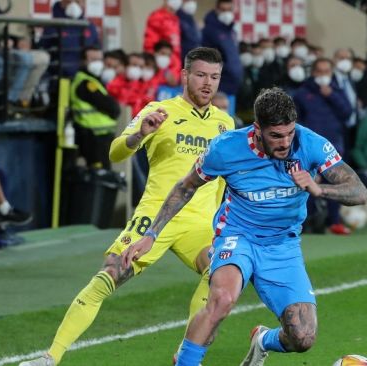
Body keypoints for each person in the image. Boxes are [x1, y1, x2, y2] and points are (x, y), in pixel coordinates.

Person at [19, 47, 234, 366]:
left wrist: (220, 225)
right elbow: (116, 153)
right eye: (201, 75)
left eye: (214, 77)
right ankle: (50, 357)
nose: (207, 84)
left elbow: (224, 180)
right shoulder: (158, 111)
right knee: (110, 273)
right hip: (154, 218)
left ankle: (186, 357)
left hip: (200, 224)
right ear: (185, 76)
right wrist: (138, 136)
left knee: (221, 274)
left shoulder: (225, 123)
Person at [122, 87, 367, 366]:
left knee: (303, 338)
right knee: (222, 299)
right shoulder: (226, 148)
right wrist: (151, 234)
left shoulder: (310, 143)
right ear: (257, 129)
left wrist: (319, 189)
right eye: (276, 135)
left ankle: (263, 340)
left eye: (289, 133)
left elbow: (358, 191)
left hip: (282, 244)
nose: (285, 142)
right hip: (237, 236)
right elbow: (185, 187)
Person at [293, 58, 353, 235]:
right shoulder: (302, 93)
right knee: (308, 184)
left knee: (335, 184)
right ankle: (306, 223)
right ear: (313, 73)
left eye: (327, 71)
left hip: (334, 146)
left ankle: (334, 221)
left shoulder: (337, 90)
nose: (323, 75)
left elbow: (348, 113)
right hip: (309, 147)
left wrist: (332, 95)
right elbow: (296, 120)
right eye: (320, 71)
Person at [70, 46, 121, 169]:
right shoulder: (86, 83)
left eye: (99, 59)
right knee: (98, 173)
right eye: (93, 59)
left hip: (100, 136)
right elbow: (111, 107)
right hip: (93, 137)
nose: (97, 63)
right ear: (83, 61)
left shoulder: (94, 80)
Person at [201, 0, 242, 101]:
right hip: (219, 86)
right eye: (223, 10)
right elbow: (208, 59)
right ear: (216, 10)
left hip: (233, 86)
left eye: (229, 10)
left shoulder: (231, 31)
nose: (226, 13)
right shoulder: (209, 31)